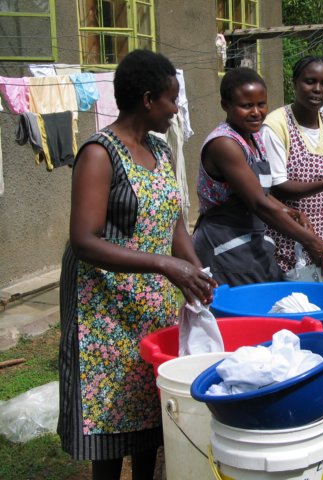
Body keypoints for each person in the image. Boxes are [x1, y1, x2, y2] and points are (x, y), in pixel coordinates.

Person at [58, 50, 217, 480]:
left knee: (151, 409)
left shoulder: (160, 151)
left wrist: (195, 269)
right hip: (104, 309)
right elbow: (84, 240)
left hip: (151, 304)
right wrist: (164, 265)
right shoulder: (99, 153)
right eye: (171, 100)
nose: (175, 109)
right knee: (109, 419)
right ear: (148, 99)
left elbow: (174, 223)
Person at [192, 67, 323, 286]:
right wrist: (310, 240)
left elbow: (262, 194)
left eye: (261, 104)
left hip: (249, 242)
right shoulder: (225, 144)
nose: (256, 112)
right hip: (224, 244)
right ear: (225, 106)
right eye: (246, 106)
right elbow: (258, 203)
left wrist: (292, 212)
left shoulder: (255, 138)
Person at [261, 56, 323, 273]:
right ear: (295, 82)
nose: (317, 89)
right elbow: (278, 186)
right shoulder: (276, 125)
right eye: (309, 81)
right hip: (285, 238)